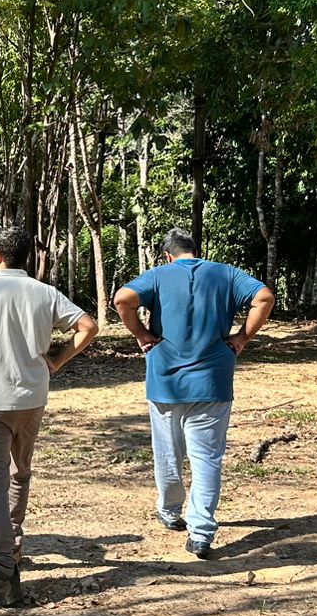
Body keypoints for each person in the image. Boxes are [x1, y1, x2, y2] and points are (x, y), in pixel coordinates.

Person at [0, 226, 98, 606]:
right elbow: (88, 327)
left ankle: (4, 572)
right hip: (32, 398)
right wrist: (58, 361)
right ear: (26, 258)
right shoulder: (44, 292)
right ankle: (13, 548)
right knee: (20, 473)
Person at [114, 229, 275, 558]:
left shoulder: (158, 275)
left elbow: (122, 299)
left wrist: (142, 334)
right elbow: (264, 298)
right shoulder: (225, 274)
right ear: (194, 251)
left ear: (167, 256)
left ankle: (170, 511)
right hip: (213, 381)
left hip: (165, 381)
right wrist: (241, 338)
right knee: (207, 458)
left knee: (167, 453)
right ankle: (201, 532)